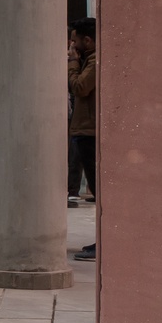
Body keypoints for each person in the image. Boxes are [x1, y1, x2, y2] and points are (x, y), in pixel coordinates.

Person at [68, 18, 97, 261]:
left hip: (90, 131)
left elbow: (79, 87)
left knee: (98, 189)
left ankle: (103, 244)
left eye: (75, 40)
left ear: (87, 40)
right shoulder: (90, 59)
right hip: (85, 130)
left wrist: (73, 63)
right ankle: (101, 241)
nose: (72, 45)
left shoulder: (94, 61)